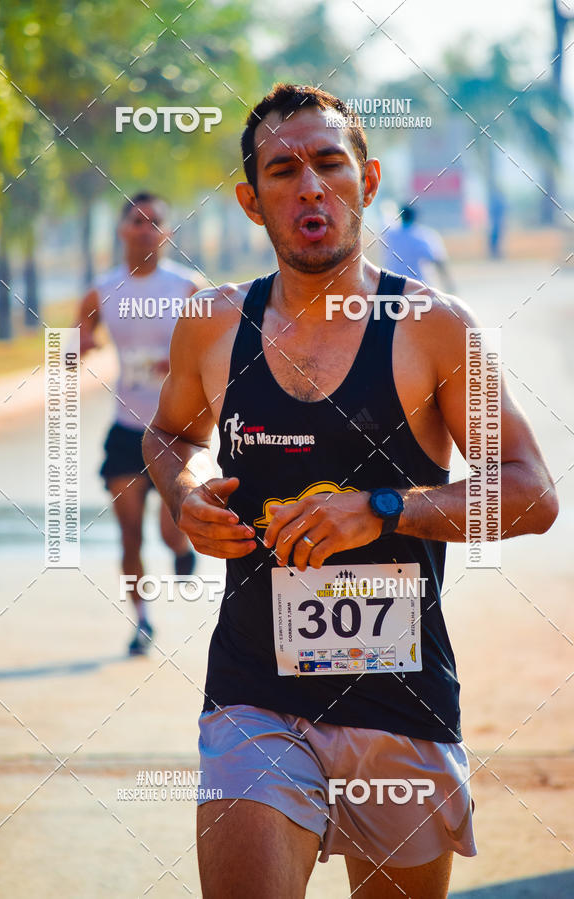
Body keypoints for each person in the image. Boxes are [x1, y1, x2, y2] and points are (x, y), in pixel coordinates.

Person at [142, 85, 558, 898]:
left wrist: (384, 509)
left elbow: (532, 493)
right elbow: (167, 435)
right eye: (283, 169)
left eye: (330, 164)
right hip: (253, 693)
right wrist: (184, 490)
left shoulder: (438, 327)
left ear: (367, 181)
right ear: (251, 201)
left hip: (399, 700)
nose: (310, 187)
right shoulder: (213, 322)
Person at [77, 192, 205, 656]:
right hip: (127, 430)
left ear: (168, 232)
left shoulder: (189, 287)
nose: (146, 229)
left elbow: (216, 351)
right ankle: (142, 619)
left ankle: (180, 549)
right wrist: (79, 346)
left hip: (173, 429)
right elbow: (75, 340)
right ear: (121, 229)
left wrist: (178, 367)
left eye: (156, 221)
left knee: (172, 528)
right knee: (130, 532)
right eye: (138, 220)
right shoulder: (102, 288)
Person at [383, 204, 455, 292]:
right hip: (417, 289)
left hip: (393, 288)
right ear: (416, 216)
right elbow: (438, 261)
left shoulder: (390, 234)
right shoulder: (422, 236)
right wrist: (449, 285)